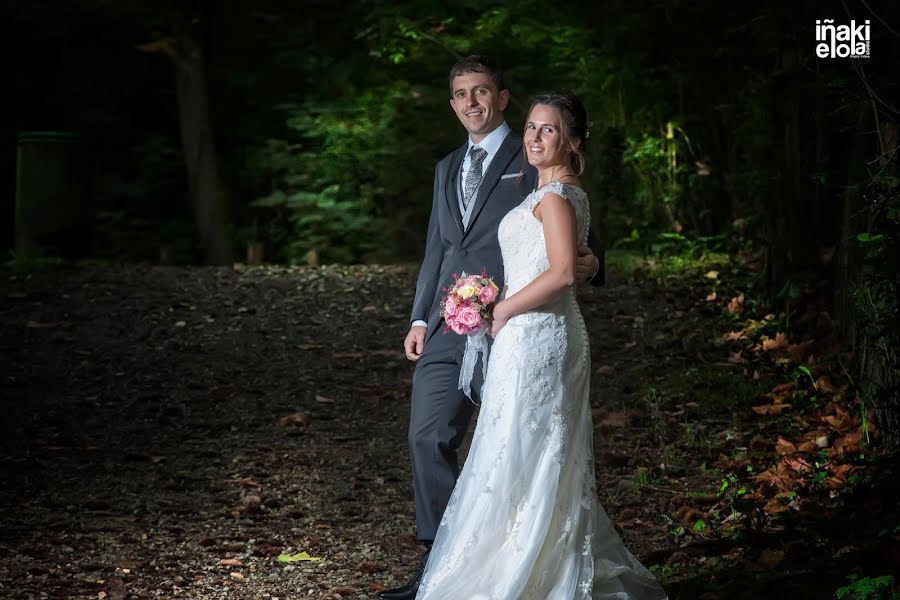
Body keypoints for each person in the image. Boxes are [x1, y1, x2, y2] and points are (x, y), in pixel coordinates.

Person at [413, 93, 670, 598]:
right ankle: (520, 557)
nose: (532, 137)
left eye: (547, 130)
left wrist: (503, 309)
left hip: (540, 340)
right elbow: (559, 262)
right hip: (527, 338)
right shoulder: (552, 194)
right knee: (514, 450)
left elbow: (559, 274)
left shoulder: (555, 198)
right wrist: (490, 299)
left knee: (529, 451)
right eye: (530, 127)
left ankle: (532, 570)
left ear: (572, 142)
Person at [380, 57, 605, 600]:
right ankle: (441, 564)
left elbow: (568, 216)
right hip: (448, 324)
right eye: (460, 94)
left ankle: (534, 557)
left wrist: (590, 260)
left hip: (518, 326)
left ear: (502, 98)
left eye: (481, 92)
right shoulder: (445, 167)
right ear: (452, 103)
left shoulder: (532, 155)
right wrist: (419, 317)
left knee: (523, 445)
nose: (471, 103)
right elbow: (438, 247)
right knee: (427, 436)